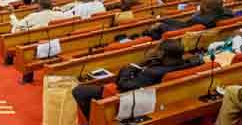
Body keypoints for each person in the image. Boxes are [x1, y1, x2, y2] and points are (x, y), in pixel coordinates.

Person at [72, 39, 201, 119]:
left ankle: (94, 120)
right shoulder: (188, 63)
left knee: (80, 91)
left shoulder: (152, 72)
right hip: (163, 95)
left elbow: (123, 84)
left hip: (133, 98)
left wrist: (137, 64)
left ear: (161, 53)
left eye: (157, 50)